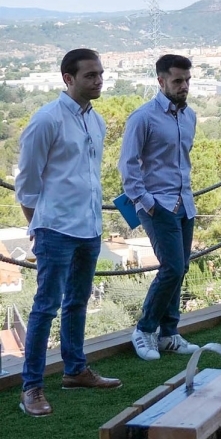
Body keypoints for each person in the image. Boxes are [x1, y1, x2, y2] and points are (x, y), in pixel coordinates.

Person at [15, 48, 121, 417]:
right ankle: (32, 387)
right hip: (55, 228)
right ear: (68, 78)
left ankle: (75, 370)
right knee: (45, 307)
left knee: (77, 302)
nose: (98, 80)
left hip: (89, 227)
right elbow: (26, 181)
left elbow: (88, 177)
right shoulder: (47, 119)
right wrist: (38, 224)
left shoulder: (98, 121)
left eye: (100, 74)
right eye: (90, 75)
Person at [121, 54, 201, 360]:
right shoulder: (143, 117)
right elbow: (128, 166)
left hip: (185, 203)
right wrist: (147, 203)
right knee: (172, 268)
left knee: (180, 269)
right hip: (158, 204)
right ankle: (144, 330)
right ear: (161, 81)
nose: (184, 86)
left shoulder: (189, 116)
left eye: (187, 80)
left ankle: (169, 334)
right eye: (178, 80)